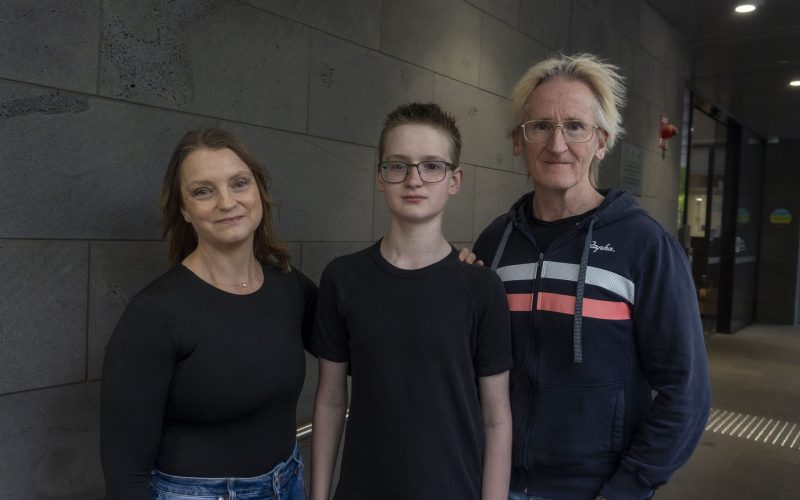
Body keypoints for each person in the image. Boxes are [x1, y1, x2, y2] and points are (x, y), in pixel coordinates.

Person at [471, 54, 711, 499]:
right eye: (540, 125)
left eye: (575, 127)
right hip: (494, 482)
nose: (557, 144)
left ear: (601, 141)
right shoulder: (495, 243)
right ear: (519, 141)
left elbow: (687, 393)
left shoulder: (646, 246)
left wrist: (625, 490)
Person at [310, 103, 513, 500]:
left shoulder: (481, 287)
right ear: (380, 178)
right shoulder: (344, 278)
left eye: (432, 166)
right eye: (398, 165)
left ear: (454, 180)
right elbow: (331, 400)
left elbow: (496, 417)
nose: (414, 179)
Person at [100, 129, 316, 499]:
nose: (227, 201)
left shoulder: (290, 286)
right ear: (184, 209)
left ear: (259, 192)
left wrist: (444, 267)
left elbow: (363, 347)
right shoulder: (155, 313)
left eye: (239, 183)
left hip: (288, 482)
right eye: (203, 190)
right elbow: (125, 473)